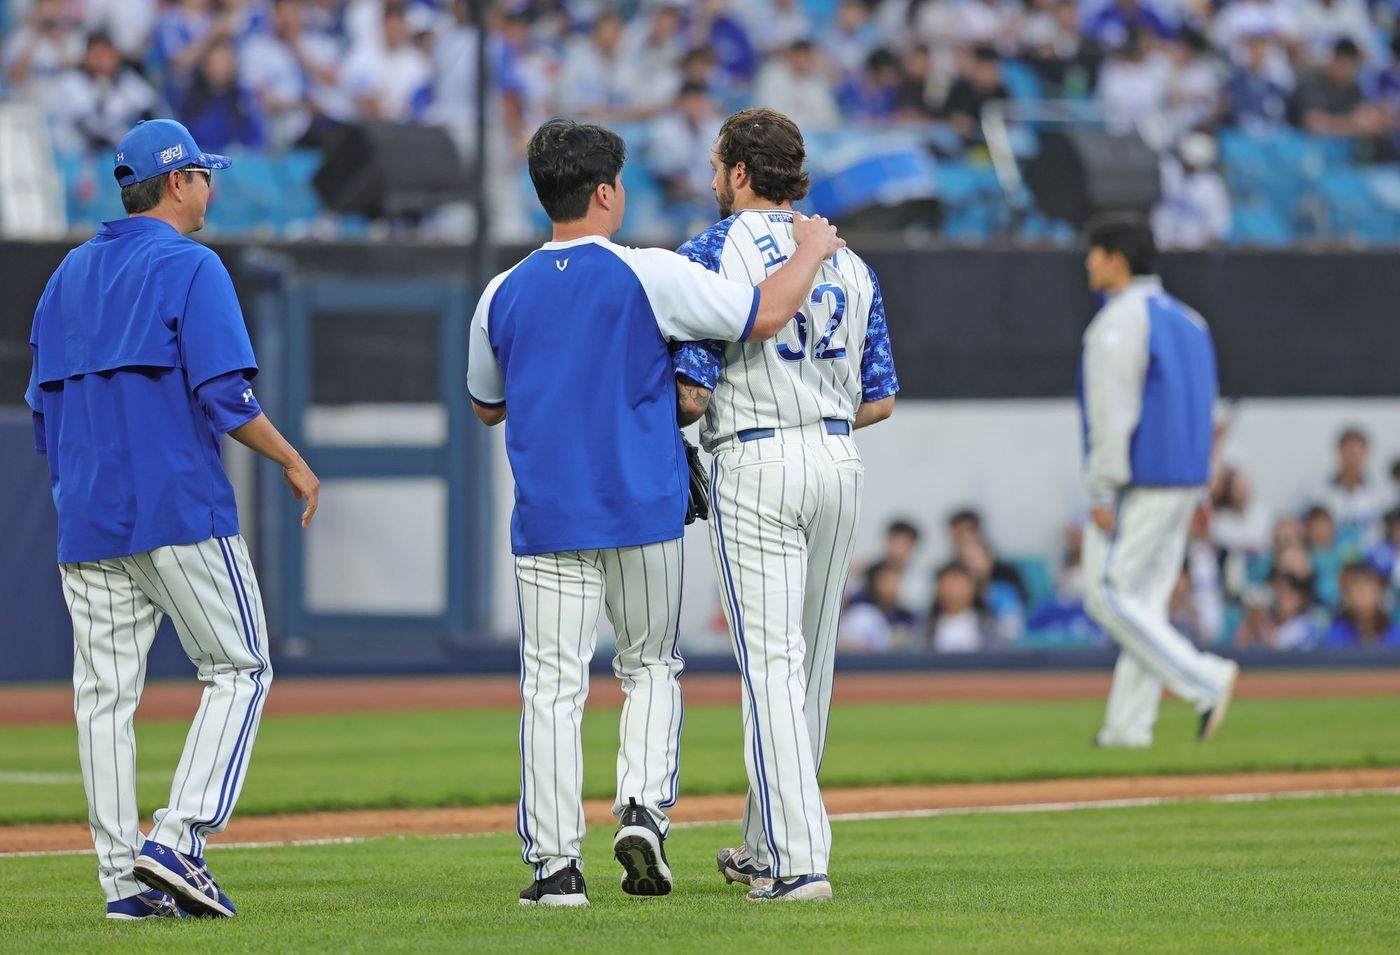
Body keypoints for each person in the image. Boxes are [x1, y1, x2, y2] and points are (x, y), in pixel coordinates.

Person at [466, 118, 845, 907]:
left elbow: (486, 407)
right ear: (606, 192)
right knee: (649, 666)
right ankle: (642, 808)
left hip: (548, 516)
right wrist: (810, 251)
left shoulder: (498, 293)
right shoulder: (650, 272)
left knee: (552, 685)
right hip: (644, 505)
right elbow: (764, 313)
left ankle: (555, 868)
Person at [24, 118, 319, 920]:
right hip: (178, 505)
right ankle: (180, 837)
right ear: (179, 180)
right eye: (203, 174)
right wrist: (290, 457)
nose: (211, 187)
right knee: (241, 666)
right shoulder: (192, 264)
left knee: (103, 699)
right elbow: (226, 396)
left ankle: (124, 883)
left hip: (87, 518)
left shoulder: (66, 276)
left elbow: (43, 415)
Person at [671, 107, 897, 903]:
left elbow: (692, 395)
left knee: (769, 665)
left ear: (738, 172)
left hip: (755, 457)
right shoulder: (849, 260)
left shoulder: (710, 248)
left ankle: (801, 860)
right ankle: (769, 843)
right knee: (811, 668)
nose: (710, 177)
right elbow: (881, 399)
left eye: (715, 163)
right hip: (839, 453)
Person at [1077, 214, 1239, 749]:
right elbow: (1207, 410)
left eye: (1095, 252)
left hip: (1139, 483)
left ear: (1116, 260)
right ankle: (1127, 728)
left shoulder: (1119, 322)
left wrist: (1101, 488)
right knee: (1143, 604)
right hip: (1184, 480)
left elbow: (1113, 412)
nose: (1088, 262)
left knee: (1108, 596)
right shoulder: (1192, 319)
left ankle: (1204, 679)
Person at [1325, 563, 1400, 646]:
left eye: (1370, 592)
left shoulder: (1394, 633)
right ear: (1348, 597)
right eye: (1359, 592)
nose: (1365, 599)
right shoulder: (1337, 634)